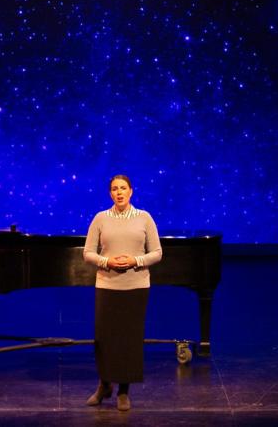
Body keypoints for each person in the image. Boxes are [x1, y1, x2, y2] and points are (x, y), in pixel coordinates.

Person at [83, 174, 162, 411]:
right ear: (110, 194)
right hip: (107, 286)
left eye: (123, 188)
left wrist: (135, 260)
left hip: (136, 286)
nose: (119, 192)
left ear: (131, 192)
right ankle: (104, 385)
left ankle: (124, 391)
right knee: (105, 338)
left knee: (129, 339)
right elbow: (88, 253)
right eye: (115, 189)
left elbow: (157, 252)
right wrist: (107, 262)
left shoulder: (144, 218)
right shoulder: (100, 218)